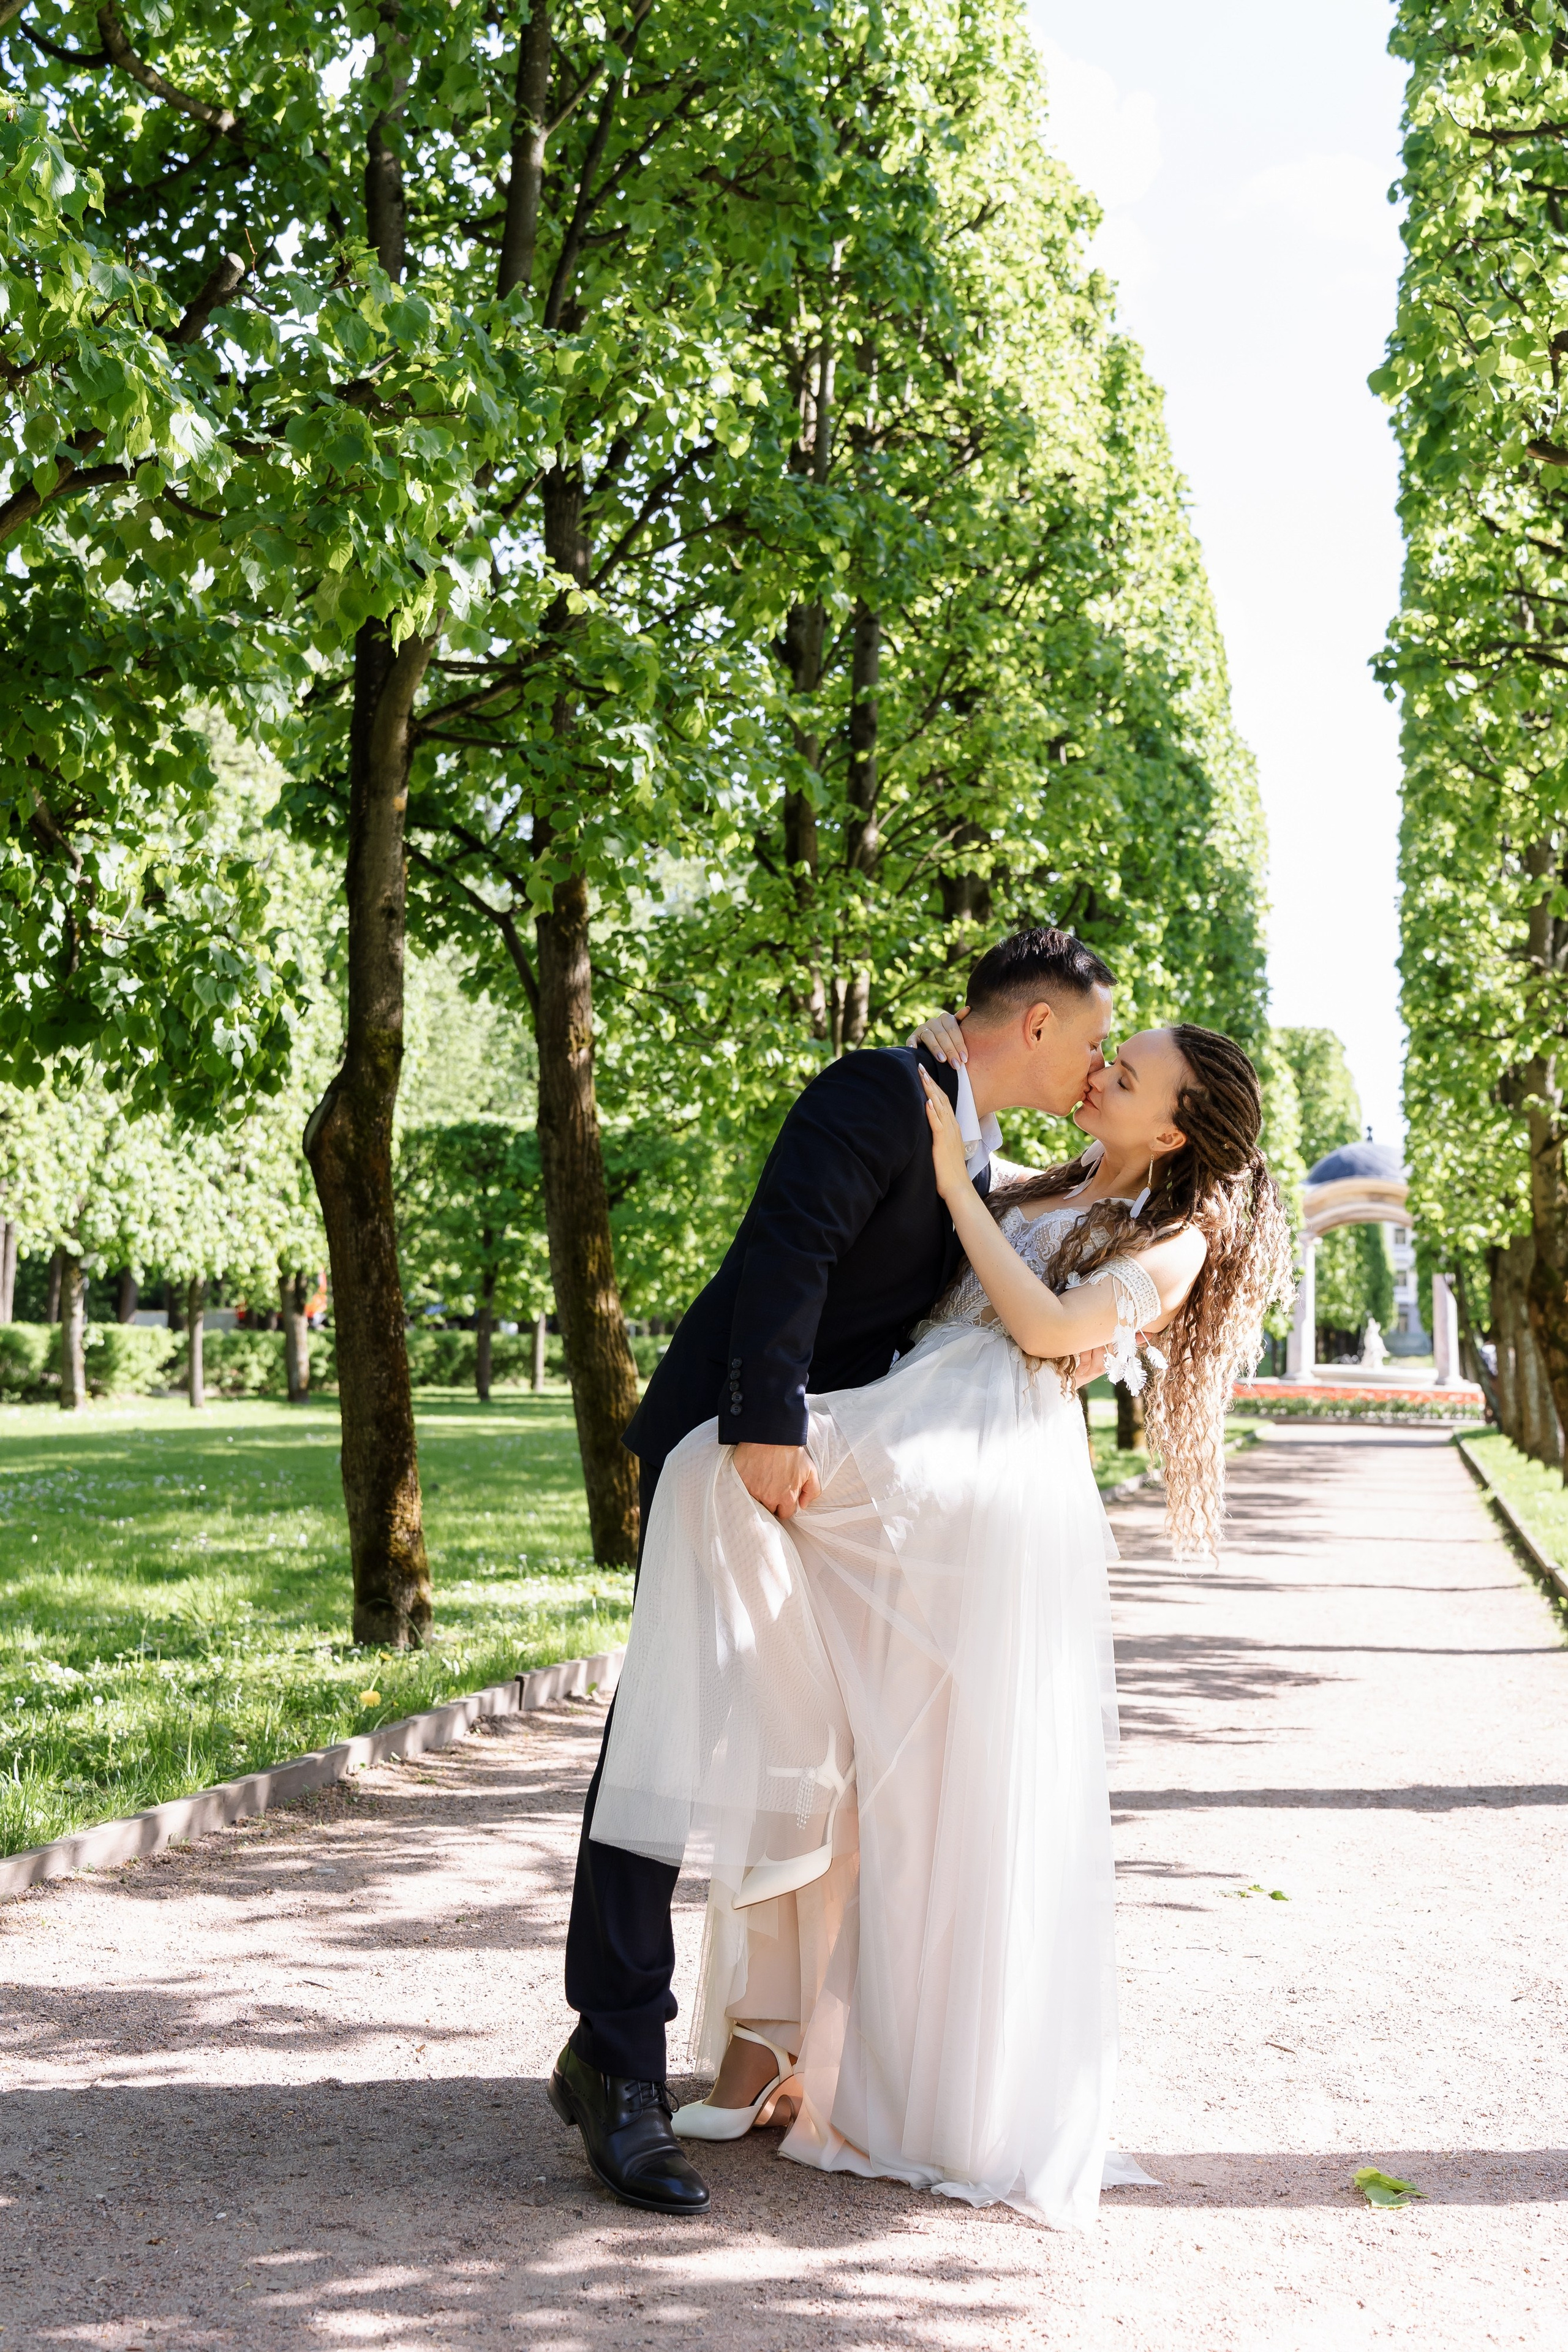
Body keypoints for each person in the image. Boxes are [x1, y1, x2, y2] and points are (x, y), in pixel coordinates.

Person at [582, 1014, 1292, 2226]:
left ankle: (889, 2077)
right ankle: (773, 2039)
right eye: (1100, 1056)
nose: (1098, 1076)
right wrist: (957, 1083)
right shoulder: (1041, 1179)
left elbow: (1054, 1328)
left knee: (934, 1791)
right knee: (845, 1760)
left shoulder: (1175, 1239)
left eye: (1123, 1077)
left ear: (1171, 1128)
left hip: (980, 1489)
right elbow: (943, 1178)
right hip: (913, 1445)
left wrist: (966, 1195)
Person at [549, 927, 1117, 2214]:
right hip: (744, 1455)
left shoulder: (976, 1148)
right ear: (1032, 1028)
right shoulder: (872, 1091)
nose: (1091, 1069)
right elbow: (791, 1247)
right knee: (663, 1744)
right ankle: (618, 2063)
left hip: (840, 1498)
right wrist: (763, 1421)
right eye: (1086, 1042)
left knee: (798, 1758)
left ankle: (763, 2041)